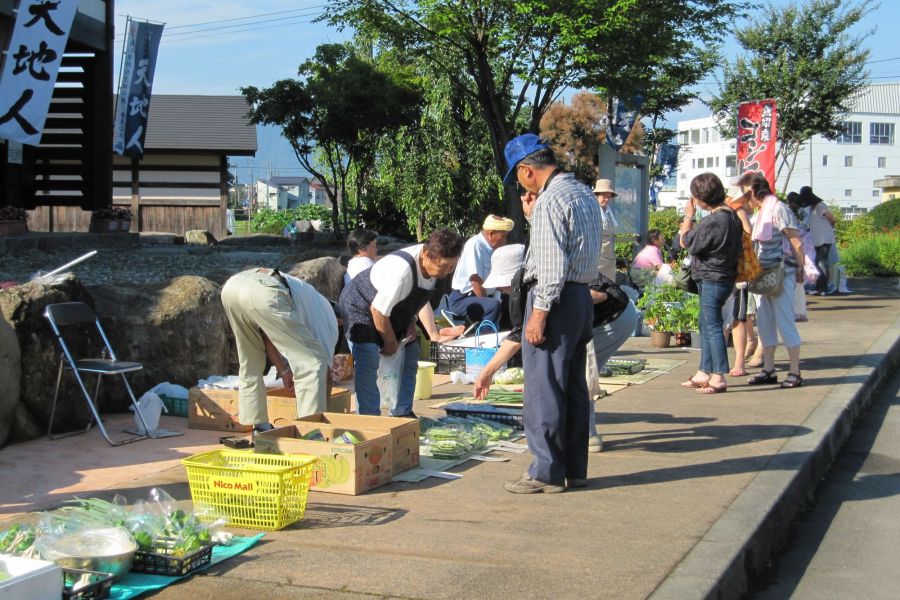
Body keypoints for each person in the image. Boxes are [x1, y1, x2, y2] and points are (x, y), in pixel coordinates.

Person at [500, 133, 601, 494]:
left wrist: (539, 313)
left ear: (527, 170)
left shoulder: (549, 202)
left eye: (518, 178)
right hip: (580, 298)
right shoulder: (583, 194)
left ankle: (545, 471)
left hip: (554, 300)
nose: (520, 185)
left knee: (543, 388)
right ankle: (575, 468)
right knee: (573, 386)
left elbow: (551, 265)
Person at [339, 229, 463, 417]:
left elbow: (414, 299)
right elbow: (378, 311)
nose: (446, 273)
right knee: (369, 359)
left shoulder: (431, 267)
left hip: (389, 311)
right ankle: (369, 418)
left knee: (411, 350)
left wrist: (411, 322)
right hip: (360, 307)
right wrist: (390, 343)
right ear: (427, 255)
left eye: (451, 268)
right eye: (444, 267)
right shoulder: (403, 270)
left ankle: (402, 412)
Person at [221, 268, 339, 431]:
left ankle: (259, 426)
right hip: (266, 291)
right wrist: (325, 417)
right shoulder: (328, 320)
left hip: (232, 287)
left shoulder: (310, 299)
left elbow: (267, 336)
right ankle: (311, 432)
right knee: (313, 364)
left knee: (250, 361)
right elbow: (323, 372)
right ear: (340, 321)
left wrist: (284, 372)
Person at [739, 172, 806, 389]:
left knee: (785, 321)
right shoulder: (762, 212)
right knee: (766, 322)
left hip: (780, 273)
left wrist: (799, 270)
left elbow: (796, 242)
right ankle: (768, 368)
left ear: (752, 192)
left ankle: (795, 371)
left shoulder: (778, 209)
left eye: (744, 194)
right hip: (764, 274)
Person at [678, 173, 743, 394]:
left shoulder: (714, 220)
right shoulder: (731, 215)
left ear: (701, 198)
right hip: (723, 277)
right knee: (706, 324)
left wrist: (688, 217)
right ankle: (704, 371)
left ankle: (718, 376)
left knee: (713, 326)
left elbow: (687, 242)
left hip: (712, 278)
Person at [447, 215, 514, 324]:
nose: (505, 241)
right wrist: (488, 303)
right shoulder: (475, 245)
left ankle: (509, 337)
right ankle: (486, 339)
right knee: (493, 306)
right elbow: (475, 281)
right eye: (503, 236)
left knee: (512, 302)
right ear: (491, 233)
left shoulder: (491, 249)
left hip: (478, 296)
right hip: (462, 299)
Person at [724, 187, 756, 377]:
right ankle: (738, 362)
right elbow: (748, 232)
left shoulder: (733, 208)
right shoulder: (736, 207)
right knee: (736, 318)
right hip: (734, 271)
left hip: (732, 271)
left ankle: (736, 362)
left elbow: (747, 232)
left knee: (735, 319)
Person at [800, 186, 836, 296]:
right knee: (817, 263)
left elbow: (833, 218)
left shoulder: (820, 206)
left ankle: (824, 288)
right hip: (817, 238)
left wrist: (829, 226)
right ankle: (819, 286)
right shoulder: (812, 208)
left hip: (824, 238)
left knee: (822, 263)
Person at [593, 179, 618, 280]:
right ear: (597, 195)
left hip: (609, 257)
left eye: (609, 196)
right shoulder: (593, 211)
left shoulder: (608, 211)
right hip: (597, 258)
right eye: (604, 196)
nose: (607, 199)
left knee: (610, 287)